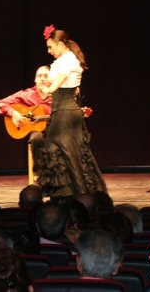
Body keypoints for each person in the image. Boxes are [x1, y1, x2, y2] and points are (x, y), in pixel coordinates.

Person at [36, 25, 106, 198]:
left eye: (50, 47)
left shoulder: (67, 60)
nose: (49, 51)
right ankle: (69, 194)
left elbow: (59, 80)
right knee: (65, 152)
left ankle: (78, 194)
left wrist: (48, 90)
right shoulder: (66, 60)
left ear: (60, 44)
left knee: (61, 151)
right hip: (64, 111)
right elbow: (73, 88)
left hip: (65, 114)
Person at [0, 65, 52, 163]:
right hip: (38, 132)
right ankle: (40, 172)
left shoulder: (58, 95)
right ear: (35, 79)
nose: (42, 79)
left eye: (46, 76)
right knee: (36, 138)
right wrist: (13, 113)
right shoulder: (27, 95)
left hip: (56, 130)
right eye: (39, 76)